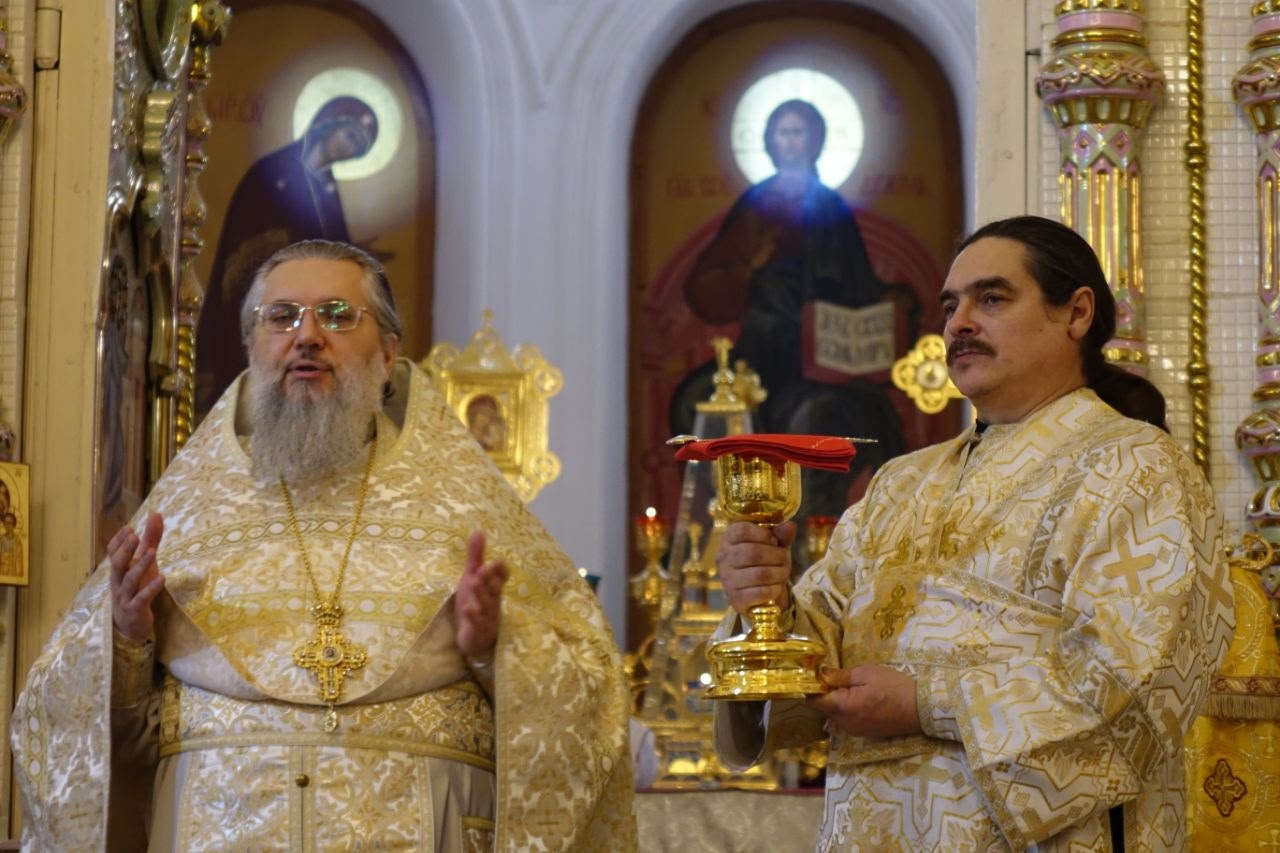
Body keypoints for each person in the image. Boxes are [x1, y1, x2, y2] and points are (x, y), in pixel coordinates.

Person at [11, 240, 637, 850]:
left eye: (338, 315)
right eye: (281, 316)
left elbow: (589, 697)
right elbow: (82, 720)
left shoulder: (462, 506)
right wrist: (127, 639)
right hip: (214, 827)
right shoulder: (186, 512)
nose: (306, 335)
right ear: (252, 347)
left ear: (388, 353)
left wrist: (494, 649)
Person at [712, 215, 1235, 850]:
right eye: (949, 306)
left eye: (991, 299)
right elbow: (818, 652)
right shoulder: (901, 482)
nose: (958, 323)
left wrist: (926, 703)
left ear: (1076, 313)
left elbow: (1136, 689)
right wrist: (767, 605)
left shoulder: (1136, 466)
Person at [675, 98, 906, 521]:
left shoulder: (833, 208)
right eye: (783, 133)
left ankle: (812, 533)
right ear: (769, 142)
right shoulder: (756, 204)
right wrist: (748, 268)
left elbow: (860, 284)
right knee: (694, 400)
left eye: (799, 132)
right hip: (765, 346)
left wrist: (893, 302)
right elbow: (708, 283)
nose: (791, 142)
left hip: (824, 356)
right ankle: (725, 522)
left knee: (830, 414)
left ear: (815, 140)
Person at [194, 96, 380, 421]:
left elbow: (331, 248)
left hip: (309, 321)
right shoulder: (273, 174)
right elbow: (248, 244)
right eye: (350, 137)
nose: (349, 150)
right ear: (327, 125)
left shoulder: (326, 188)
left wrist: (355, 260)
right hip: (269, 307)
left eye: (357, 149)